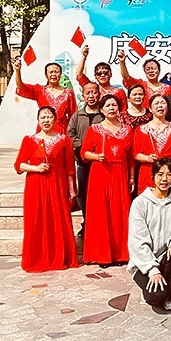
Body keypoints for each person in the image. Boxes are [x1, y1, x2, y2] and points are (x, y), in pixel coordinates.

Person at [15, 106, 79, 272]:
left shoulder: (64, 140)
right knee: (36, 220)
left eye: (49, 117)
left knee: (58, 219)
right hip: (35, 185)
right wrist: (36, 168)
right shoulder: (29, 140)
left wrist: (72, 188)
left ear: (55, 119)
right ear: (38, 120)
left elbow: (69, 167)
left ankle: (59, 256)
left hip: (57, 184)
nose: (46, 120)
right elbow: (19, 165)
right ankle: (38, 257)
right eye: (42, 117)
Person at [127, 158, 171, 311]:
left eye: (169, 175)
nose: (164, 179)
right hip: (144, 264)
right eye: (160, 174)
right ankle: (155, 289)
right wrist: (152, 269)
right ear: (153, 176)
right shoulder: (140, 203)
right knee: (156, 297)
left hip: (168, 259)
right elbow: (137, 239)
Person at [80, 95, 134, 265]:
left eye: (114, 105)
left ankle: (120, 254)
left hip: (120, 173)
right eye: (108, 106)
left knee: (119, 212)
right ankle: (101, 255)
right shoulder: (94, 129)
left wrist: (132, 177)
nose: (111, 108)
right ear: (102, 110)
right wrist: (96, 156)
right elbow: (84, 153)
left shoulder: (127, 130)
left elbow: (130, 156)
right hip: (100, 173)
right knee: (100, 213)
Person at [67, 82, 103, 234]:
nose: (91, 96)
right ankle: (86, 221)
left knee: (99, 194)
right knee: (83, 192)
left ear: (99, 94)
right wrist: (81, 148)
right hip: (83, 161)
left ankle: (99, 223)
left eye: (94, 92)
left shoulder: (104, 114)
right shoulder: (77, 115)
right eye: (87, 93)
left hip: (101, 161)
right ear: (83, 96)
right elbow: (70, 133)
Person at [133, 95, 171, 194]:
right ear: (150, 109)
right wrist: (148, 158)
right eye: (156, 103)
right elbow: (135, 154)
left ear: (167, 107)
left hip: (168, 173)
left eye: (163, 103)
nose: (160, 105)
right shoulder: (141, 129)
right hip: (148, 172)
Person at [14, 58, 77, 133]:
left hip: (61, 131)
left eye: (56, 72)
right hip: (43, 130)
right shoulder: (40, 90)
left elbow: (73, 116)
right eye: (51, 72)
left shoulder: (68, 93)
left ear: (60, 75)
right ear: (46, 75)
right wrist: (17, 71)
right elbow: (21, 87)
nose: (53, 74)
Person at [76, 46, 127, 111]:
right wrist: (83, 56)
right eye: (99, 74)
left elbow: (123, 112)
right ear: (95, 76)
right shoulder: (92, 88)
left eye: (105, 73)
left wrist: (122, 62)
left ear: (110, 74)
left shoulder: (119, 92)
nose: (102, 75)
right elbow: (79, 75)